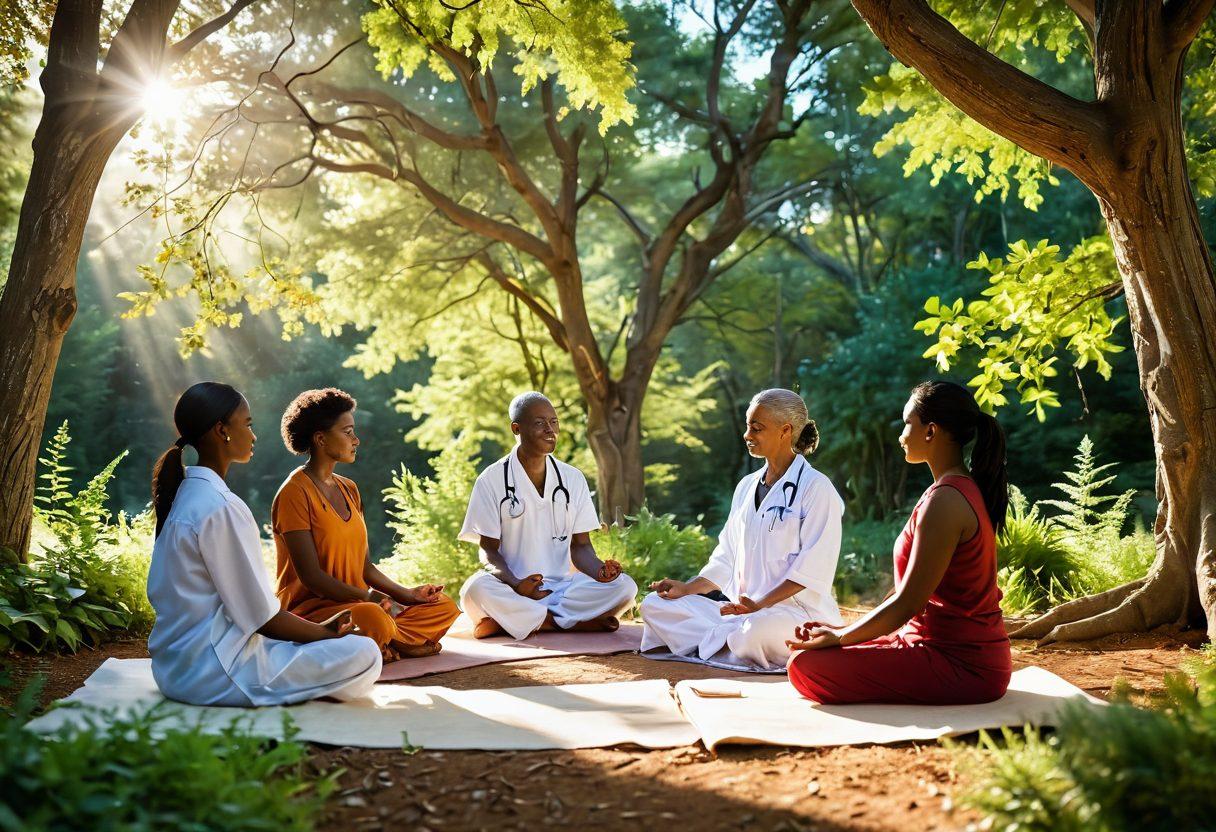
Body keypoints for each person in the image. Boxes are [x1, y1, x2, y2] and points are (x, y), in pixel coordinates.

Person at [147, 382, 381, 707]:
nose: (254, 435)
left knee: (332, 646)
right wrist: (328, 634)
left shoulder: (186, 494)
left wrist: (322, 629)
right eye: (248, 424)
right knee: (365, 653)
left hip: (173, 668)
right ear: (222, 431)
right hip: (214, 673)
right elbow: (264, 620)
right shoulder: (221, 507)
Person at [786, 380, 1012, 705]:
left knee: (806, 667)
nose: (901, 435)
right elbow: (910, 602)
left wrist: (840, 636)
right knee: (813, 650)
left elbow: (908, 604)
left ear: (930, 431)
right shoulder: (950, 490)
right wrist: (839, 634)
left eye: (907, 424)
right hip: (932, 646)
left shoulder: (946, 501)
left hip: (961, 664)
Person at [640, 389, 845, 671]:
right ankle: (726, 645)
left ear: (786, 430)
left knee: (755, 632)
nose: (747, 435)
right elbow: (726, 556)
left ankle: (717, 644)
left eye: (756, 428)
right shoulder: (747, 486)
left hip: (793, 614)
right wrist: (688, 588)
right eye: (747, 426)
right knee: (655, 605)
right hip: (740, 612)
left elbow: (811, 571)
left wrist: (759, 605)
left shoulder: (817, 489)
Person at [272, 388, 460, 661]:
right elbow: (312, 578)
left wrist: (408, 595)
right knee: (373, 617)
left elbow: (365, 566)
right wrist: (369, 598)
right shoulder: (294, 493)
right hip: (316, 614)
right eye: (347, 432)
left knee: (443, 606)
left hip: (359, 603)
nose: (356, 440)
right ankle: (400, 644)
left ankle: (384, 644)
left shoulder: (349, 489)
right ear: (321, 439)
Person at [458, 391, 638, 640]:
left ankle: (521, 622)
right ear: (516, 428)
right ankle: (571, 623)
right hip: (512, 586)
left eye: (554, 422)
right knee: (475, 590)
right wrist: (516, 583)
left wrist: (600, 572)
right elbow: (488, 550)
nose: (550, 430)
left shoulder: (572, 478)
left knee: (625, 587)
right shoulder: (491, 480)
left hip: (562, 589)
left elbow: (581, 546)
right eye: (540, 423)